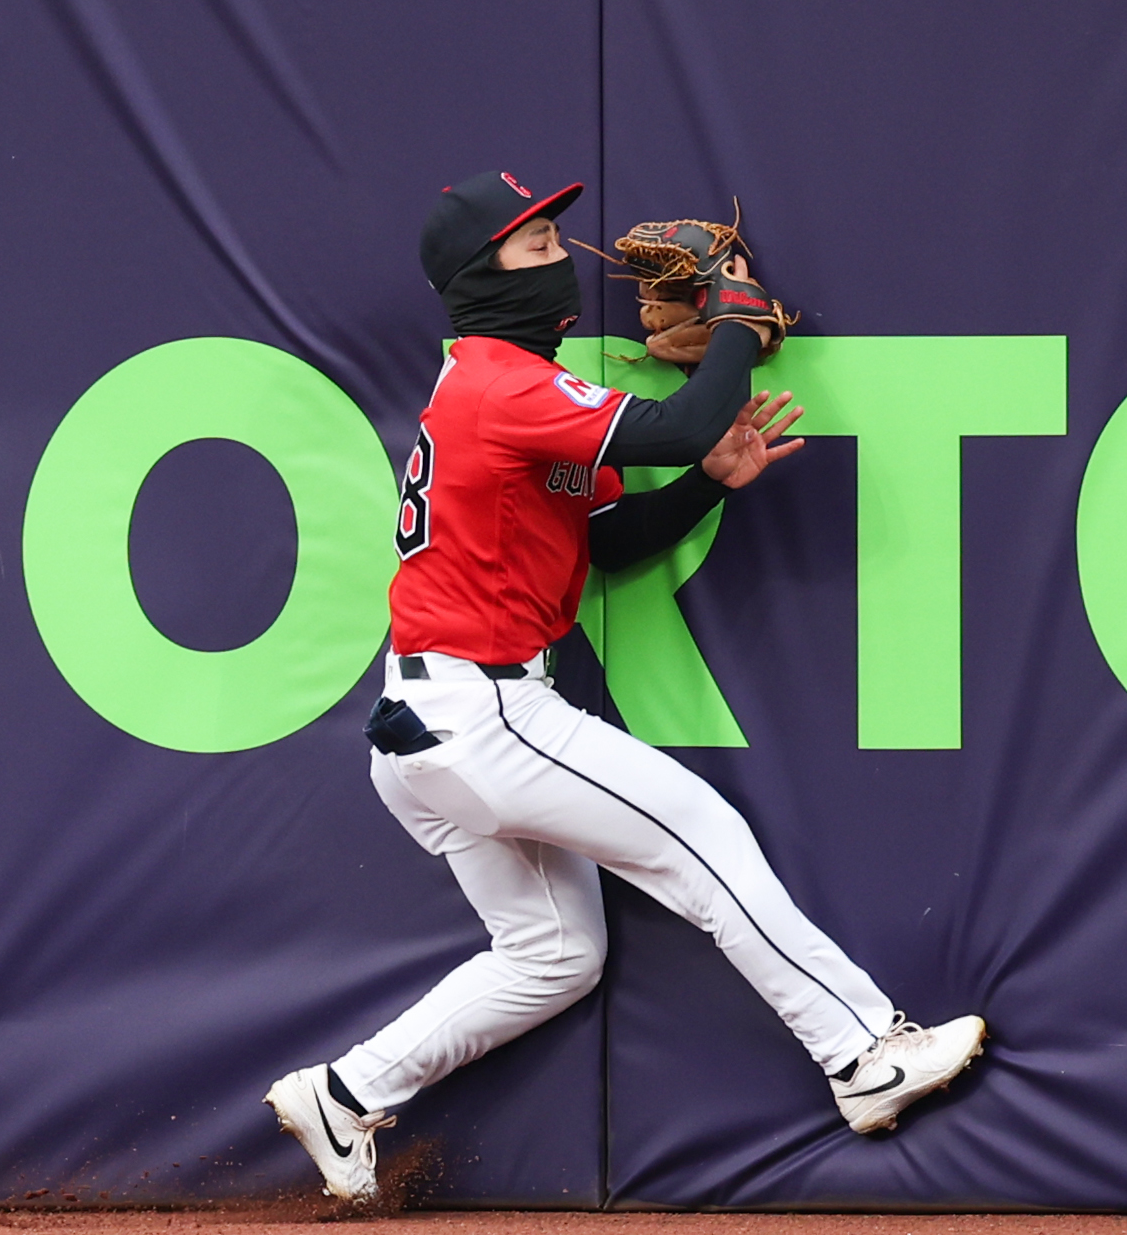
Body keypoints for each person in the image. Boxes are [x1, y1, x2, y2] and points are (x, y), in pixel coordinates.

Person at [265, 171, 984, 1202]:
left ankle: (343, 1095)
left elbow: (608, 541)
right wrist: (735, 307)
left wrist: (706, 484)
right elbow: (686, 416)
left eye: (555, 231)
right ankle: (864, 1054)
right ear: (481, 278)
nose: (560, 251)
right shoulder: (496, 384)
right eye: (532, 242)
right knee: (703, 835)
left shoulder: (509, 393)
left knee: (554, 954)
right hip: (485, 709)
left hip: (420, 721)